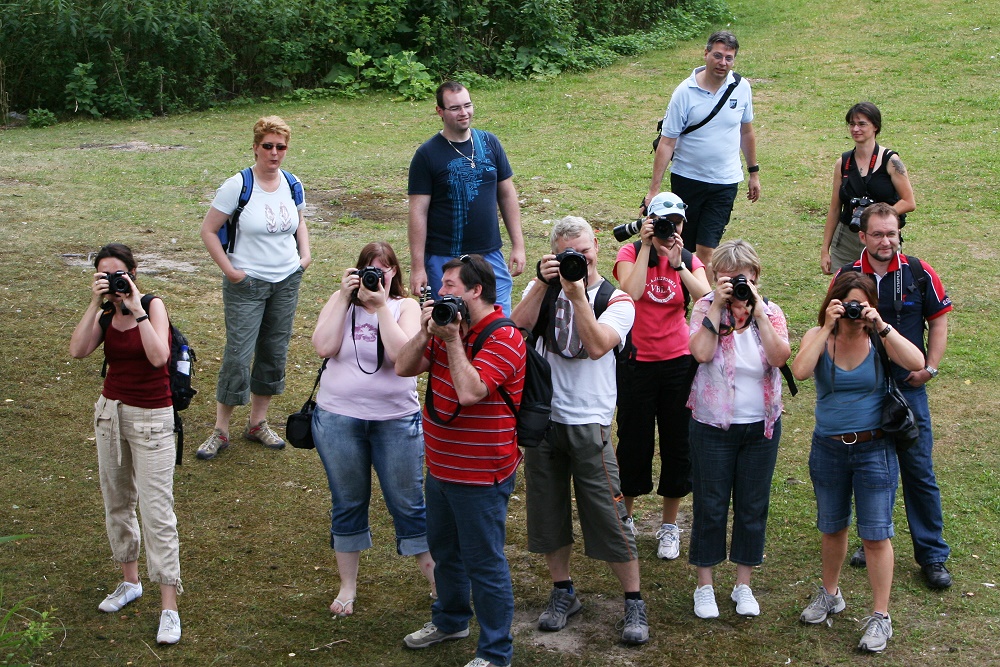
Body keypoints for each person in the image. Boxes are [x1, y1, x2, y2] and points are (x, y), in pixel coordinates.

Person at [511, 216, 648, 645]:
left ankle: (633, 601)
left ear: (596, 251)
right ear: (554, 253)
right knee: (547, 513)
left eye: (585, 252)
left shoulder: (617, 299)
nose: (579, 260)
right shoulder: (544, 290)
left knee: (609, 515)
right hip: (544, 420)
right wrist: (539, 282)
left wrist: (576, 295)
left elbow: (595, 345)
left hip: (590, 422)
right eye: (569, 253)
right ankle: (562, 591)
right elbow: (515, 331)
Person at [396, 254, 525, 667]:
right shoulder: (448, 325)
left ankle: (495, 652)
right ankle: (451, 620)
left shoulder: (504, 337)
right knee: (445, 551)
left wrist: (451, 341)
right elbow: (402, 367)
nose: (442, 292)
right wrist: (425, 332)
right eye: (442, 284)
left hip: (481, 473)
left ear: (476, 291)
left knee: (484, 562)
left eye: (451, 285)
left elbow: (471, 392)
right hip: (441, 467)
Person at [791, 271, 924, 653]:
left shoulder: (877, 337)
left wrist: (880, 325)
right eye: (847, 303)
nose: (853, 311)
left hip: (874, 448)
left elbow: (916, 362)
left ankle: (880, 616)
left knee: (876, 534)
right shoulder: (820, 336)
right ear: (834, 301)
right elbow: (799, 372)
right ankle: (830, 594)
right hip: (829, 448)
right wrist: (827, 325)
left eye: (859, 304)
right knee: (832, 528)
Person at [310, 242, 435, 618]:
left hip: (395, 420)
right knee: (347, 502)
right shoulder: (341, 301)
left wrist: (381, 308)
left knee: (408, 503)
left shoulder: (405, 307)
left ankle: (436, 580)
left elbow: (402, 358)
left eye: (383, 270)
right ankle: (347, 586)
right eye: (368, 269)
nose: (375, 276)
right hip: (337, 418)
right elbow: (323, 346)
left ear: (394, 273)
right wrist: (343, 298)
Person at [69, 243, 183, 645]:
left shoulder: (152, 306)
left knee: (156, 511)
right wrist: (94, 302)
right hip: (110, 414)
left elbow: (158, 357)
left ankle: (169, 605)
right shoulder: (103, 313)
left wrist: (134, 306)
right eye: (106, 275)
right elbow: (78, 350)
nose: (116, 282)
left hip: (153, 417)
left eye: (121, 274)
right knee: (117, 501)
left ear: (135, 272)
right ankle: (130, 581)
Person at [837, 202, 953, 589]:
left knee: (918, 470)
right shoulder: (848, 275)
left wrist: (930, 368)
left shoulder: (919, 272)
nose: (886, 240)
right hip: (864, 391)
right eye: (878, 234)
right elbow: (831, 324)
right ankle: (874, 538)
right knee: (871, 470)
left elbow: (938, 321)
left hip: (908, 387)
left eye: (892, 233)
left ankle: (932, 555)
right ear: (862, 237)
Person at [685, 239, 790, 619]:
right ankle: (705, 586)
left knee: (751, 506)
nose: (734, 286)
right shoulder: (703, 308)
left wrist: (759, 312)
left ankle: (743, 584)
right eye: (725, 279)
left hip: (760, 427)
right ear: (714, 279)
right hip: (712, 425)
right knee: (710, 506)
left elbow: (780, 357)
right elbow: (700, 353)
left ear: (756, 277)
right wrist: (716, 304)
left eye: (740, 279)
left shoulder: (772, 312)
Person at [197, 115, 311, 460]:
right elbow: (208, 230)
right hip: (247, 284)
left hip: (286, 280)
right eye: (268, 146)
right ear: (256, 147)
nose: (274, 153)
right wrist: (232, 272)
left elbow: (300, 221)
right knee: (238, 354)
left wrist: (304, 257)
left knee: (274, 352)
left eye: (281, 147)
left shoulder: (293, 183)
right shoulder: (238, 185)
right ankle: (221, 429)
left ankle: (257, 423)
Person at [612, 192, 710, 560]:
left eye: (678, 223)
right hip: (638, 362)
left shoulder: (687, 258)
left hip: (678, 363)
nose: (672, 229)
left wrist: (678, 263)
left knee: (677, 443)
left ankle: (669, 524)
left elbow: (708, 298)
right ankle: (628, 519)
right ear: (649, 221)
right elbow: (630, 292)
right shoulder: (628, 255)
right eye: (664, 222)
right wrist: (644, 247)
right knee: (634, 442)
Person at [644, 31, 760, 279]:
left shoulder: (741, 88)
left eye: (729, 58)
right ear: (706, 54)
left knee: (708, 248)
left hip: (725, 182)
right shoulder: (684, 92)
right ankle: (681, 299)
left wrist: (753, 172)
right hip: (688, 179)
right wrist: (654, 190)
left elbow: (746, 131)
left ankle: (705, 306)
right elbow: (667, 143)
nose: (723, 63)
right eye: (717, 56)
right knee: (683, 245)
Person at [407, 81, 526, 315]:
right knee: (448, 322)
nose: (464, 113)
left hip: (488, 254)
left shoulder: (490, 143)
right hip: (443, 256)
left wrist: (518, 245)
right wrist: (417, 266)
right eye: (455, 108)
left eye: (467, 105)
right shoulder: (427, 155)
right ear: (440, 111)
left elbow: (507, 194)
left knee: (497, 319)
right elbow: (417, 212)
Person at [820, 102, 916, 274]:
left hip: (882, 237)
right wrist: (825, 250)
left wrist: (877, 217)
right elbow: (835, 209)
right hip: (847, 237)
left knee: (883, 290)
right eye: (852, 124)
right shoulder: (843, 163)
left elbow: (909, 202)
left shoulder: (891, 161)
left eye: (862, 124)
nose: (855, 129)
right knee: (845, 291)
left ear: (875, 127)